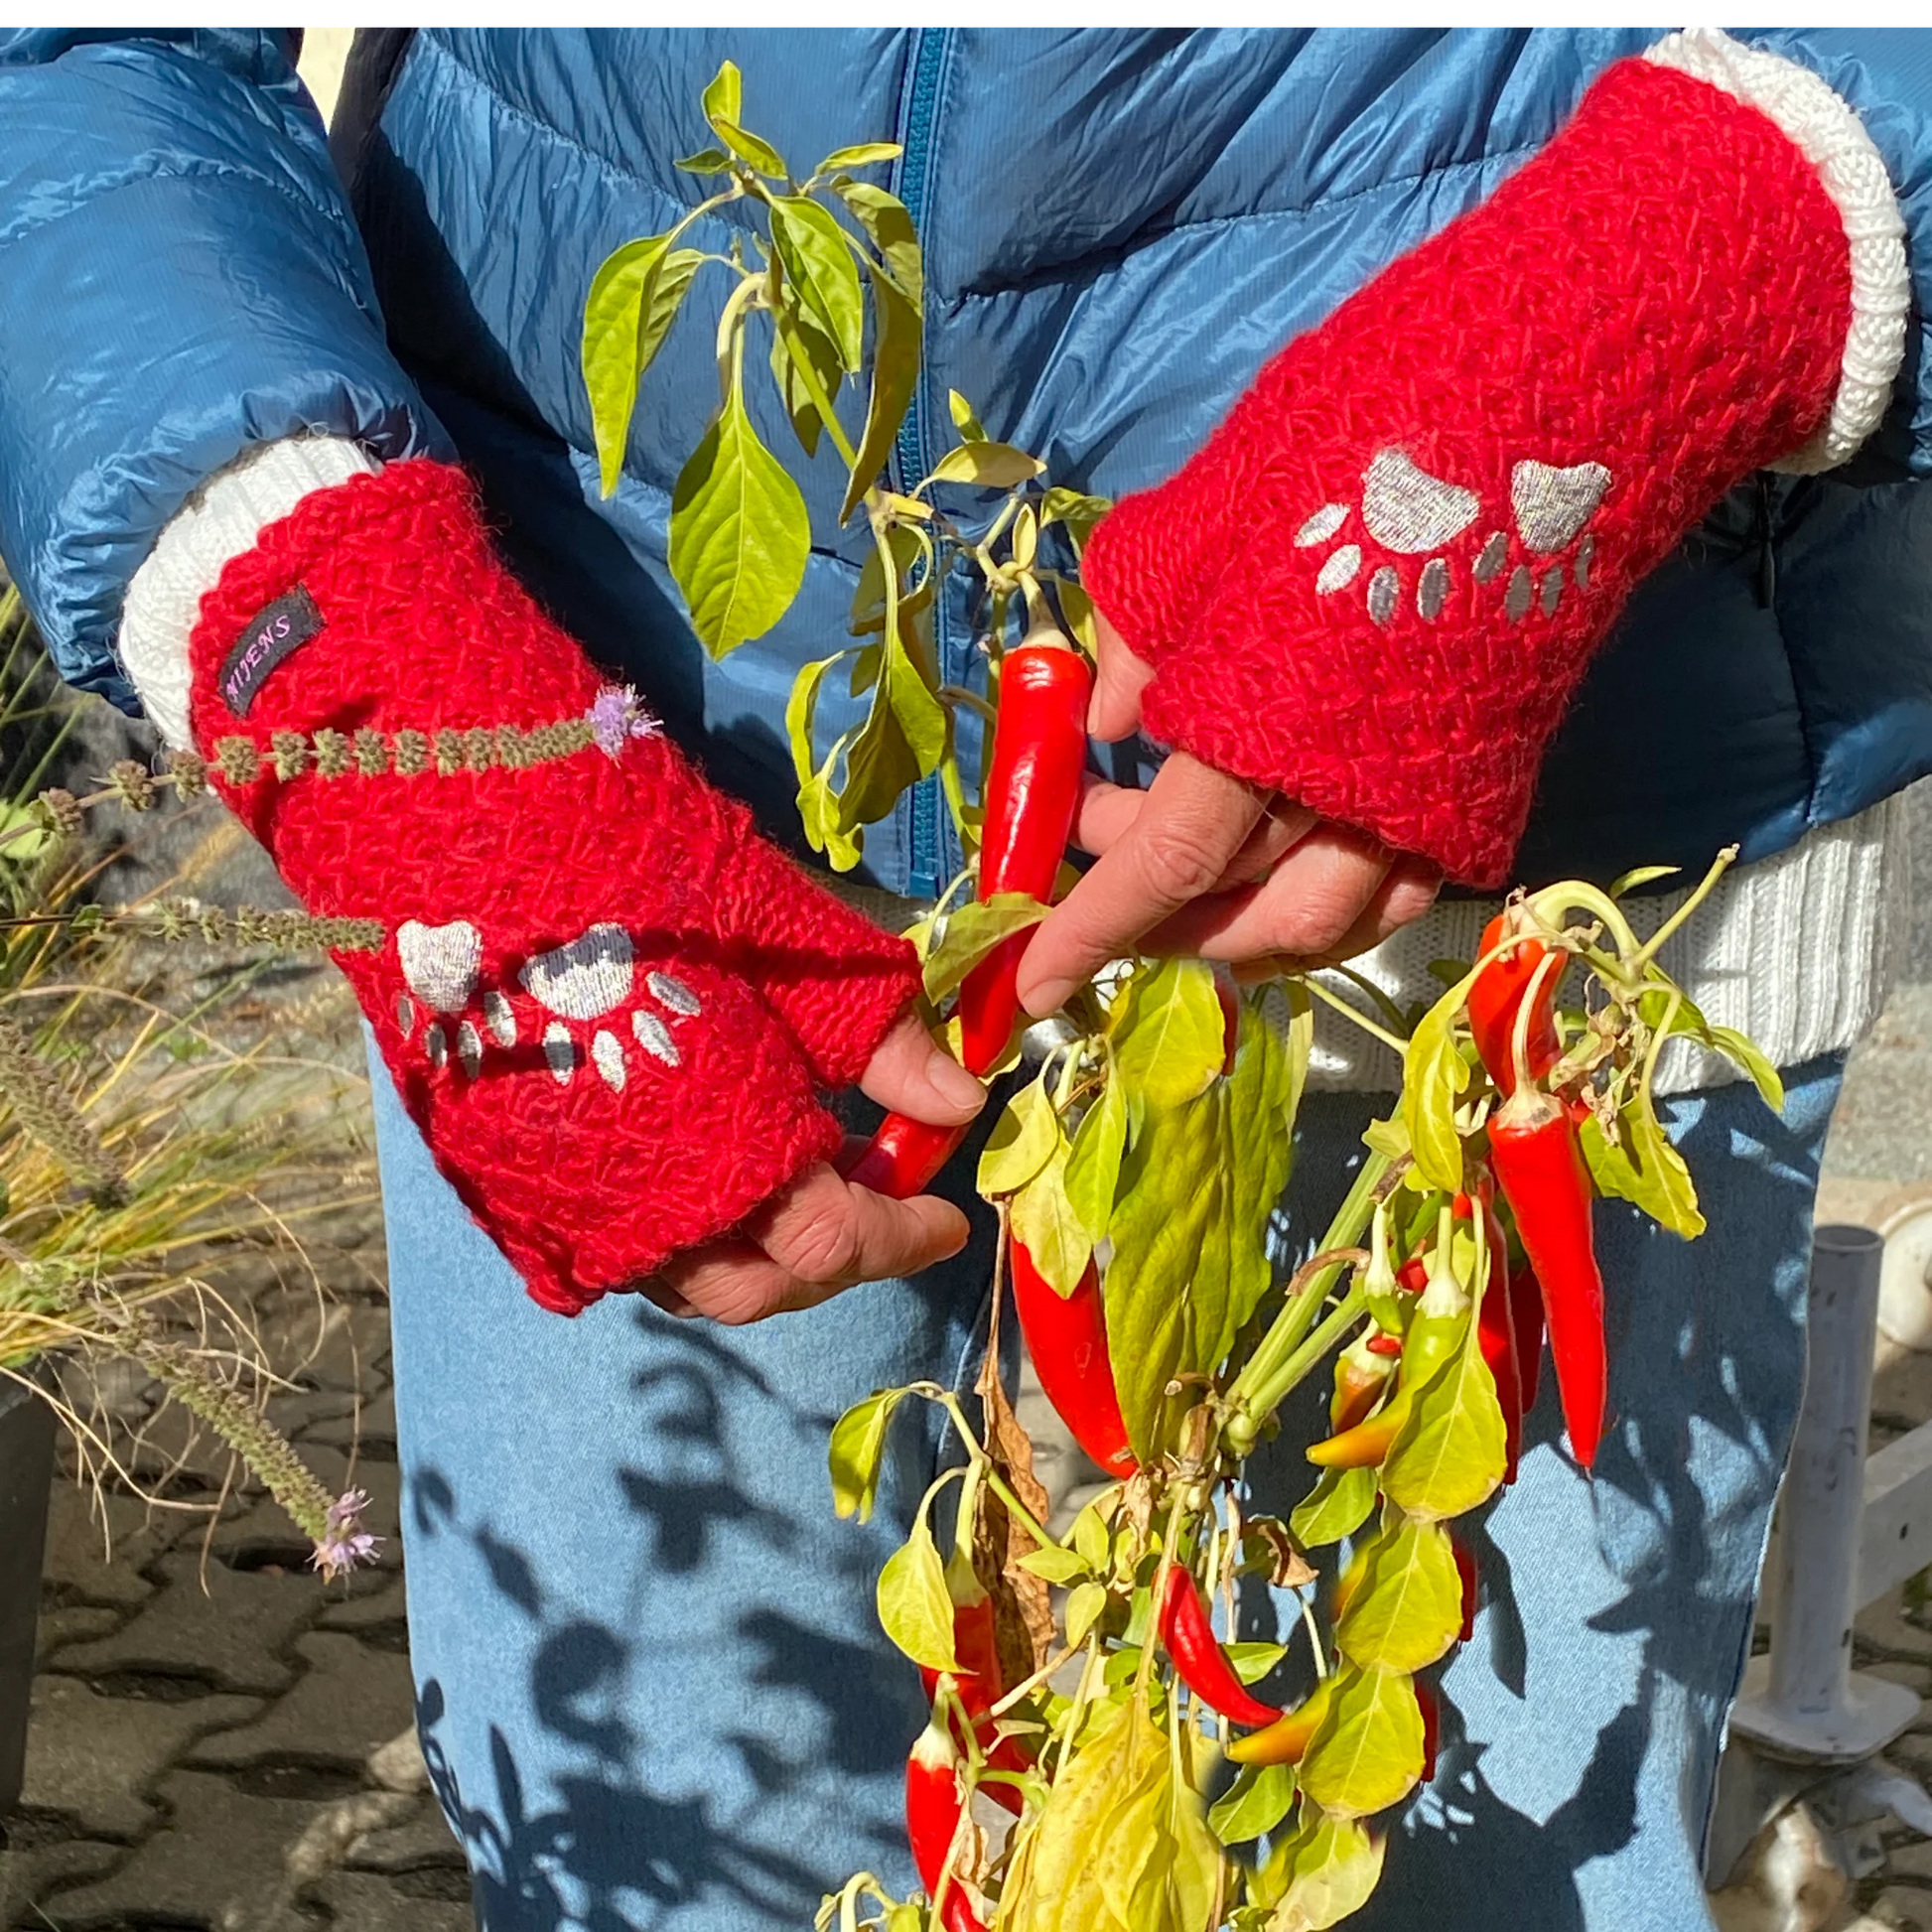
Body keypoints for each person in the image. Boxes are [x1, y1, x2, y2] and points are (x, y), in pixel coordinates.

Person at [3, 24, 1930, 1931]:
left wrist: (1702, 265)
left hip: (1533, 801)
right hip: (624, 851)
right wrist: (334, 640)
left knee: (1482, 1849)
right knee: (667, 1859)